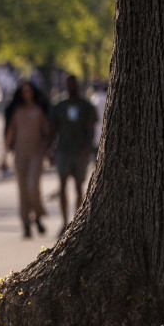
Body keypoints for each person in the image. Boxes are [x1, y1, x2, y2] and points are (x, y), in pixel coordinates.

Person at [1, 81, 51, 239]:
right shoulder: (17, 111)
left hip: (36, 153)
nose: (26, 94)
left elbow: (47, 133)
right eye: (24, 91)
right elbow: (10, 134)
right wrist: (4, 157)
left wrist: (48, 152)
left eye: (28, 91)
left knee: (32, 187)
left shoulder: (38, 111)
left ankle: (38, 214)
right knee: (22, 190)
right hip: (20, 153)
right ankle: (26, 224)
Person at [49, 75, 98, 233]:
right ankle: (64, 222)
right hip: (63, 151)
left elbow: (91, 129)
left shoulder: (86, 106)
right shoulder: (60, 106)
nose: (71, 87)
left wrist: (88, 148)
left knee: (78, 186)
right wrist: (50, 150)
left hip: (80, 151)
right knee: (62, 185)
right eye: (69, 84)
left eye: (74, 84)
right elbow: (53, 129)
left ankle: (77, 222)